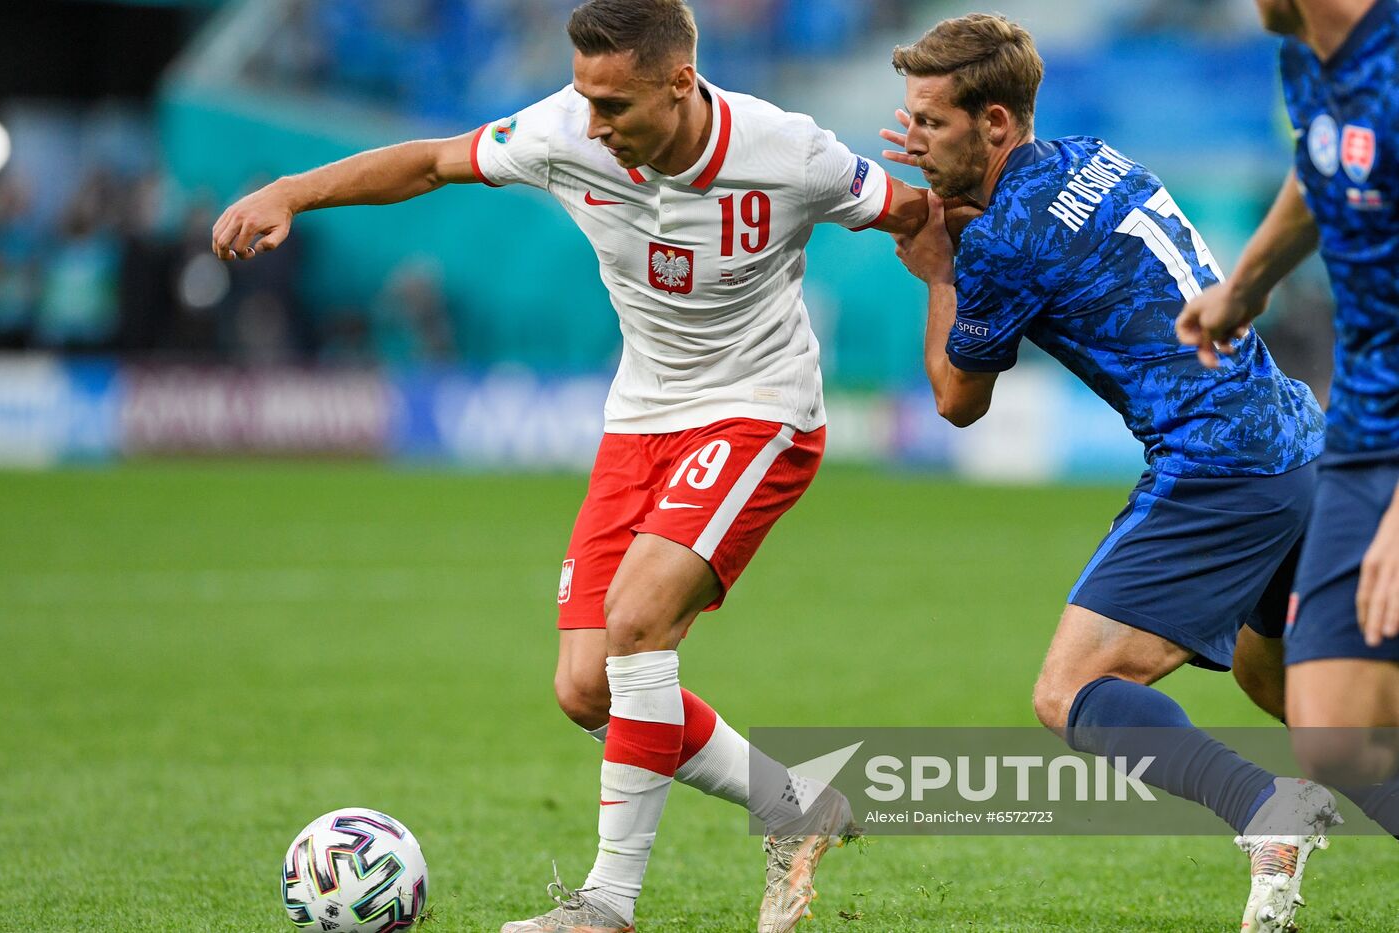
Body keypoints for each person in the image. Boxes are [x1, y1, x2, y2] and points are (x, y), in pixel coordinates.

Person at [212, 2, 928, 930]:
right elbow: (431, 161)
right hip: (638, 421)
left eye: (614, 104)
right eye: (584, 97)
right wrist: (292, 191)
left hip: (761, 413)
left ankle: (604, 907)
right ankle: (796, 810)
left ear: (680, 83)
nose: (592, 122)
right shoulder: (562, 129)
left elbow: (914, 213)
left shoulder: (790, 151)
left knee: (637, 624)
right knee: (586, 686)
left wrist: (959, 339)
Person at [882, 14, 1339, 932]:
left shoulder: (1001, 246)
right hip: (1294, 435)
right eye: (912, 120)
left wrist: (938, 268)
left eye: (931, 123)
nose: (913, 144)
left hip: (1218, 462)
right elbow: (1054, 236)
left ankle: (1265, 814)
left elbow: (955, 400)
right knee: (1284, 684)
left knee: (1068, 692)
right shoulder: (1091, 155)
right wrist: (970, 215)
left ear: (998, 122)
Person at [1177, 0, 1399, 841]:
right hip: (1369, 420)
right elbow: (1323, 168)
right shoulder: (1309, 58)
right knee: (1334, 725)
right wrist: (1247, 285)